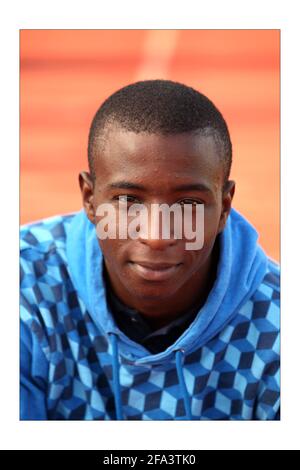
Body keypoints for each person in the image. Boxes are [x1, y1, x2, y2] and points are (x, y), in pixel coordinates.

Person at [20, 80, 280, 420]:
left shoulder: (280, 328)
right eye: (128, 201)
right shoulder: (25, 287)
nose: (157, 235)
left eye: (188, 203)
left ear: (224, 206)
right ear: (89, 198)